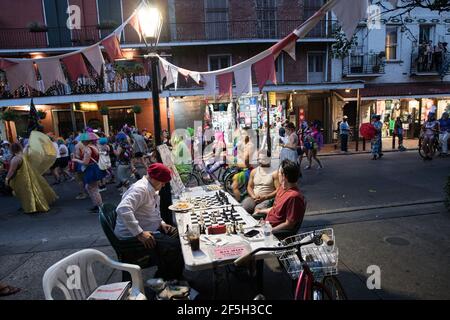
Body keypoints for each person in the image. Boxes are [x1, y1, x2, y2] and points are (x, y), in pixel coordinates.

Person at [114, 163, 184, 280]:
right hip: (131, 235)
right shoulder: (140, 189)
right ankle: (171, 279)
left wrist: (161, 223)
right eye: (162, 182)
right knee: (175, 246)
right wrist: (140, 234)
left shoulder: (150, 187)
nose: (164, 185)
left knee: (179, 235)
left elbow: (152, 211)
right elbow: (123, 209)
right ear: (153, 178)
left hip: (148, 228)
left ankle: (164, 273)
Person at [254, 160, 306, 233]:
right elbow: (276, 209)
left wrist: (269, 231)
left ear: (283, 176)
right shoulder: (281, 188)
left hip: (273, 232)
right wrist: (260, 211)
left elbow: (289, 224)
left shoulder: (294, 197)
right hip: (266, 225)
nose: (277, 174)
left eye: (278, 172)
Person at [5, 142, 57, 213]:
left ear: (12, 150)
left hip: (21, 179)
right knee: (32, 192)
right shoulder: (23, 155)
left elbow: (12, 170)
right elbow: (26, 150)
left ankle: (31, 208)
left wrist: (7, 179)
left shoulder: (16, 159)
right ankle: (35, 206)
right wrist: (27, 146)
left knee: (25, 193)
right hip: (30, 177)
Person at [72, 133, 105, 213]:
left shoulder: (88, 149)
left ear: (86, 141)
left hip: (90, 169)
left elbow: (85, 162)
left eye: (83, 140)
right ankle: (98, 205)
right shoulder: (95, 146)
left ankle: (99, 206)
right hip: (94, 168)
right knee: (91, 187)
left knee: (93, 188)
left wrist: (76, 160)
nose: (81, 142)